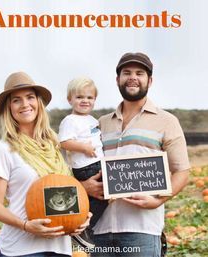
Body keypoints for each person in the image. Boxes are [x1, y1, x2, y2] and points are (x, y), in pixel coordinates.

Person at [81, 53, 190, 257]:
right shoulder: (100, 123)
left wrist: (158, 200)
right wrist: (83, 186)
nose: (132, 77)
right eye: (126, 73)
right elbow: (81, 164)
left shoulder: (167, 121)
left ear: (150, 80)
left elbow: (182, 171)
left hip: (142, 229)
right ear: (117, 80)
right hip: (98, 231)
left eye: (139, 73)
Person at [0, 72, 90, 257]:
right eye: (16, 100)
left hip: (60, 246)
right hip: (22, 249)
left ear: (38, 103)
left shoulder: (55, 146)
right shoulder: (3, 149)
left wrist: (82, 216)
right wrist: (26, 226)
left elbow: (67, 190)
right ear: (9, 108)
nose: (25, 104)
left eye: (30, 97)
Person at [59, 77, 108, 249]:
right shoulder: (70, 121)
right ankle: (83, 227)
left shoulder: (93, 120)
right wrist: (83, 148)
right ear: (70, 99)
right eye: (79, 97)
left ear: (94, 99)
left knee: (99, 197)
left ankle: (83, 226)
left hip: (96, 163)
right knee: (104, 196)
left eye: (89, 97)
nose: (85, 101)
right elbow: (64, 142)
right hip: (86, 166)